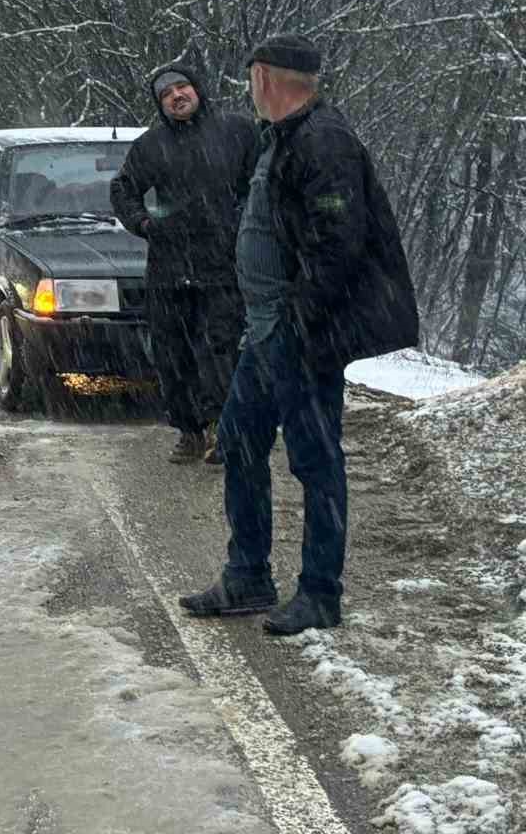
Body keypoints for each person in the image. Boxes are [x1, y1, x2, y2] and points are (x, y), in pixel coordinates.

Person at [178, 34, 419, 635]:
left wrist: (298, 324)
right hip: (265, 336)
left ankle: (320, 594)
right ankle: (248, 577)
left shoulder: (324, 141)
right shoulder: (282, 138)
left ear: (264, 77)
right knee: (237, 440)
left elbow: (337, 246)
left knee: (315, 462)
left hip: (301, 336)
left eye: (251, 77)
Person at [111, 60, 258, 465]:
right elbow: (123, 189)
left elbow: (262, 182)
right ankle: (189, 431)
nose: (176, 96)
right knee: (172, 354)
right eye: (165, 94)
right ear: (160, 105)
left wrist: (245, 221)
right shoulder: (150, 146)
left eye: (182, 88)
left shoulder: (238, 132)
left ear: (197, 89)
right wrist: (143, 222)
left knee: (220, 349)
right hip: (170, 268)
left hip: (224, 267)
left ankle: (223, 430)